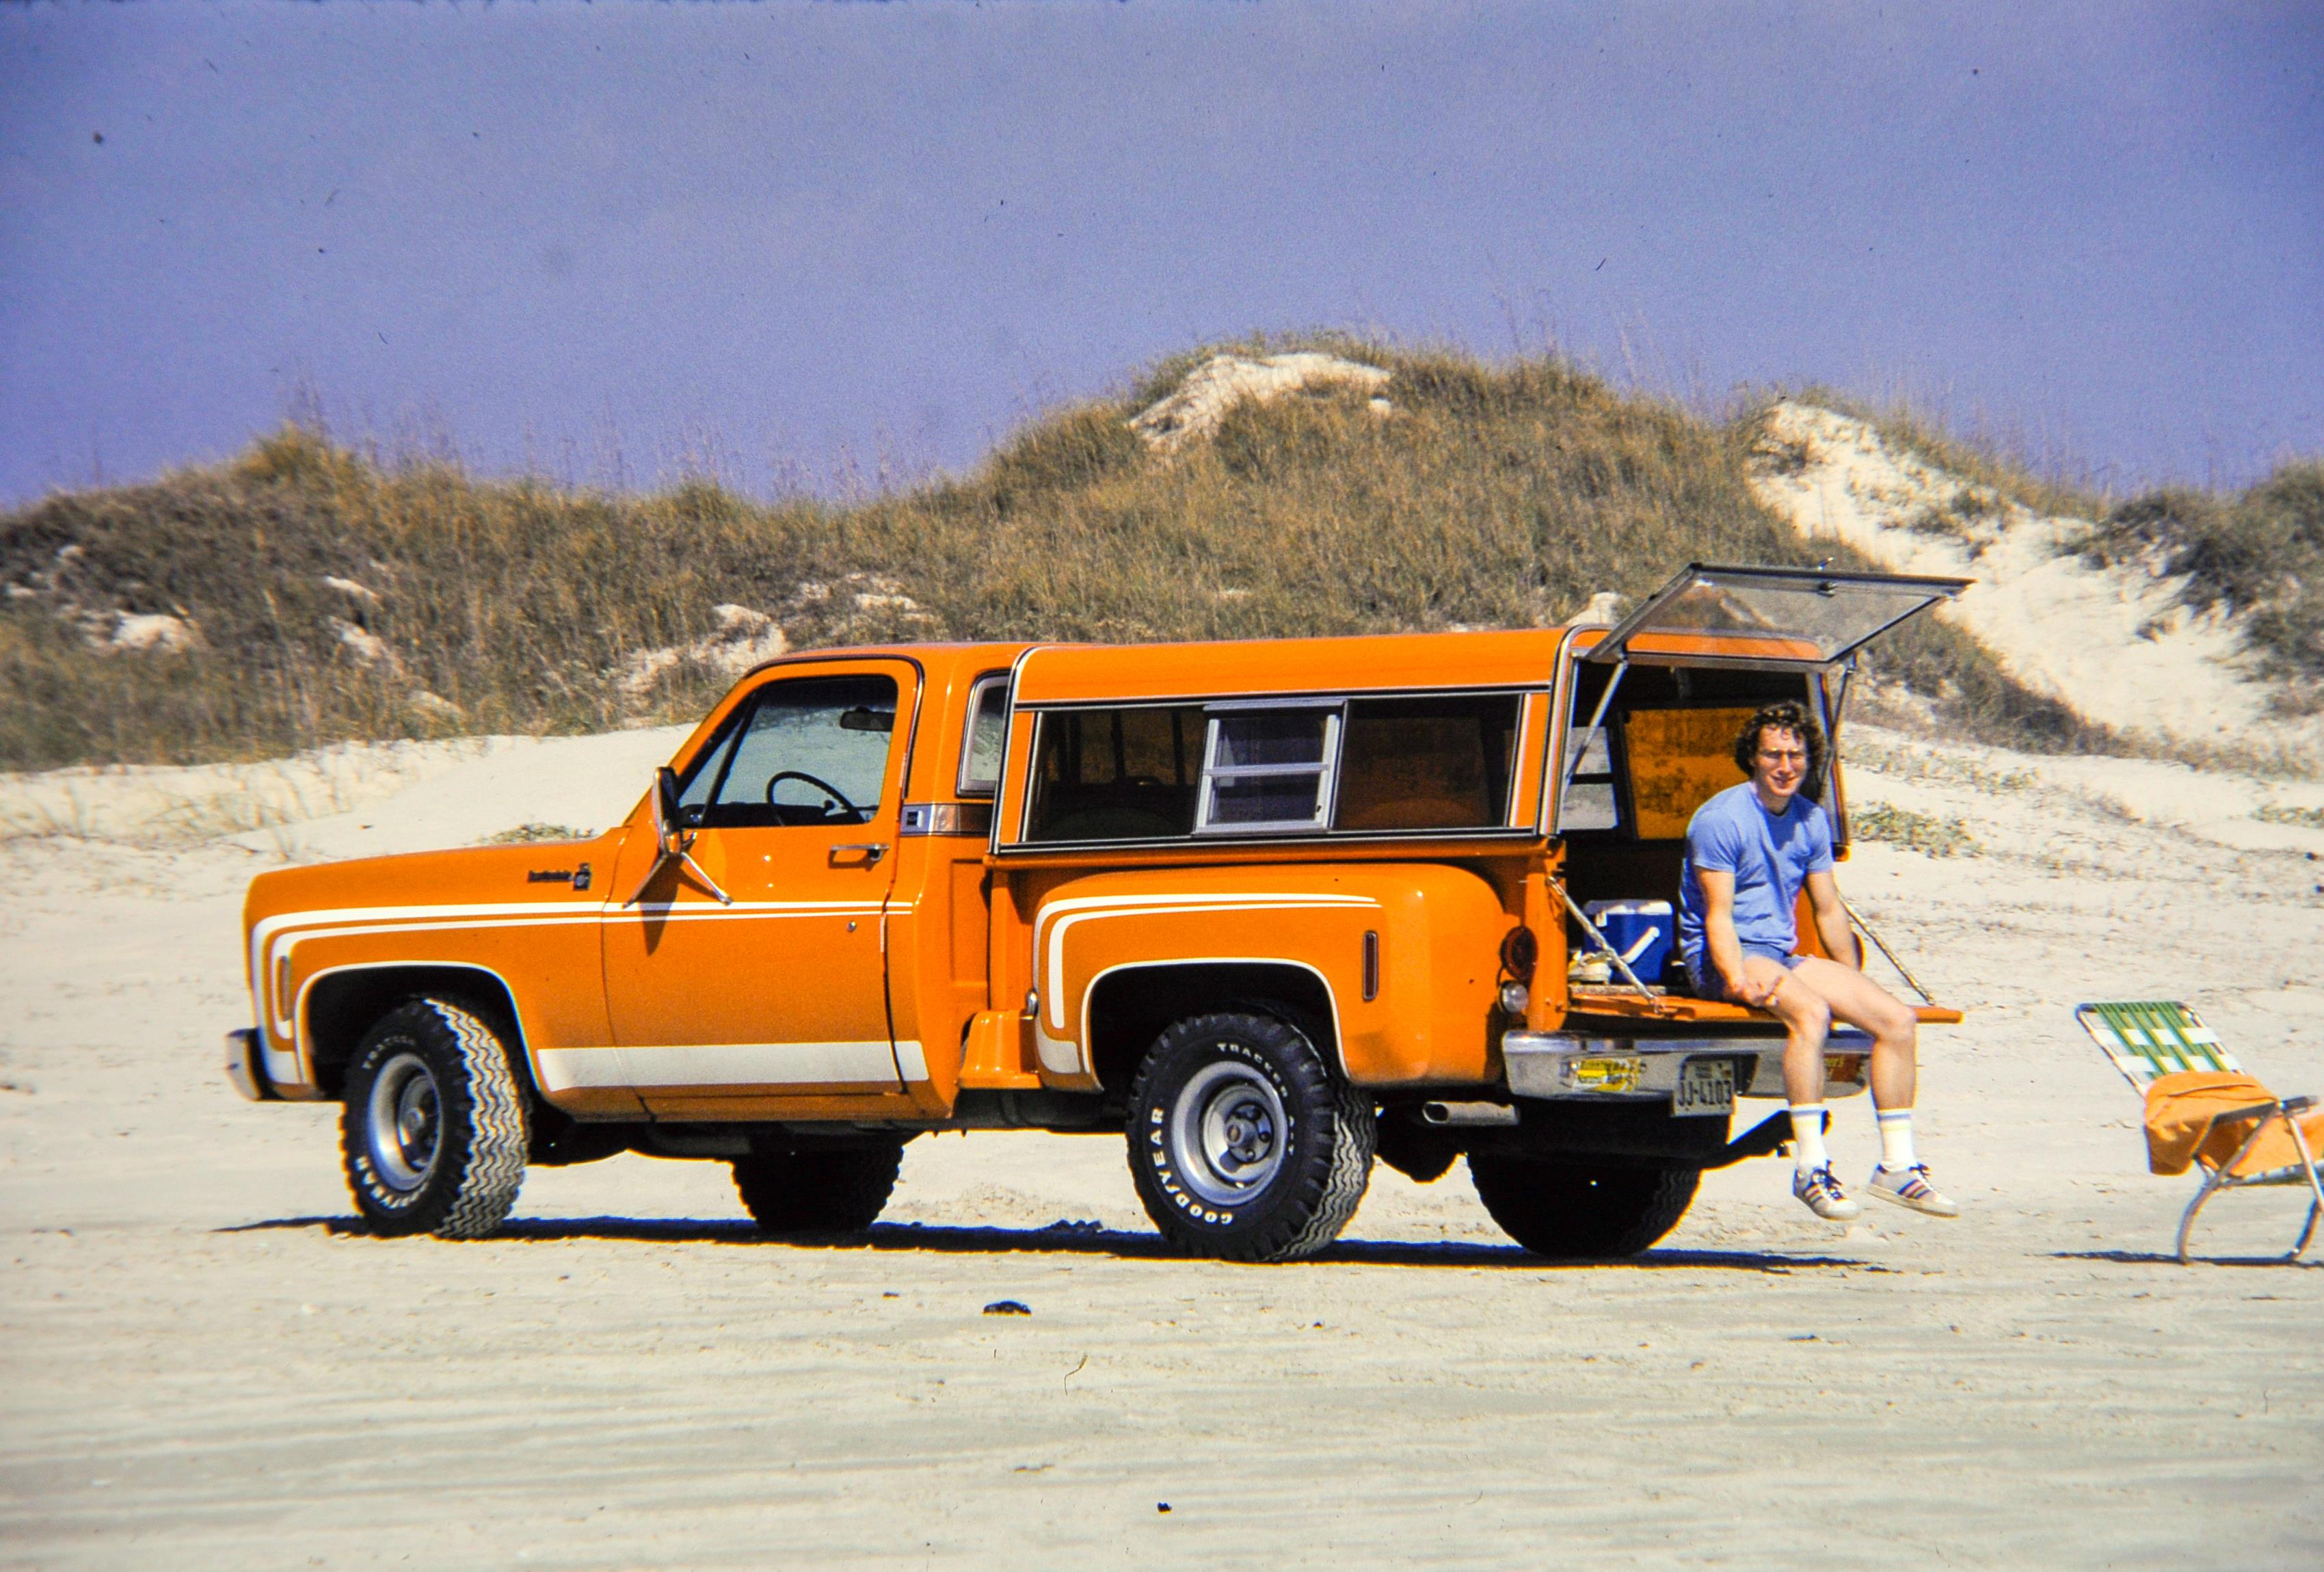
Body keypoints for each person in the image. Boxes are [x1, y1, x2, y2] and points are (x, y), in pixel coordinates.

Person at [1677, 701, 1959, 1223]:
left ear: (1809, 758)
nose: (1785, 766)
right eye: (1773, 755)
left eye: (1795, 754)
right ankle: (1810, 1166)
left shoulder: (1809, 819)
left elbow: (1828, 910)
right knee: (1810, 1014)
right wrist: (1735, 979)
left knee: (1896, 1020)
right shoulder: (1720, 819)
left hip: (1780, 953)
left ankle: (1896, 1166)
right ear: (1752, 759)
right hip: (1723, 956)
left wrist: (1852, 982)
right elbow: (1716, 917)